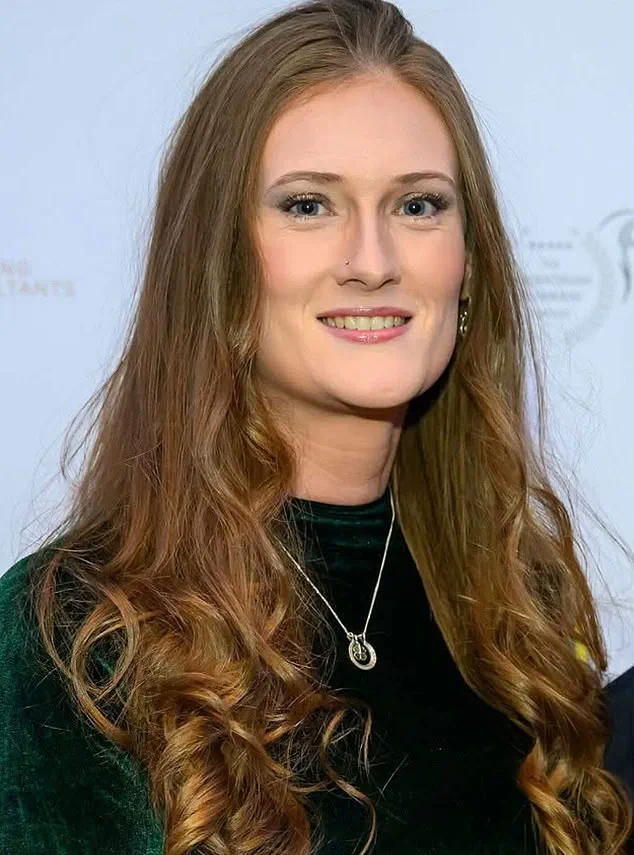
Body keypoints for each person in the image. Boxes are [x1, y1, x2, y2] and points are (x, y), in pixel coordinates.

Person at [1, 0, 633, 853]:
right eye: (307, 205)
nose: (372, 261)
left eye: (418, 205)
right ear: (219, 263)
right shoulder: (72, 640)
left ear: (470, 263)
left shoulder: (523, 618)